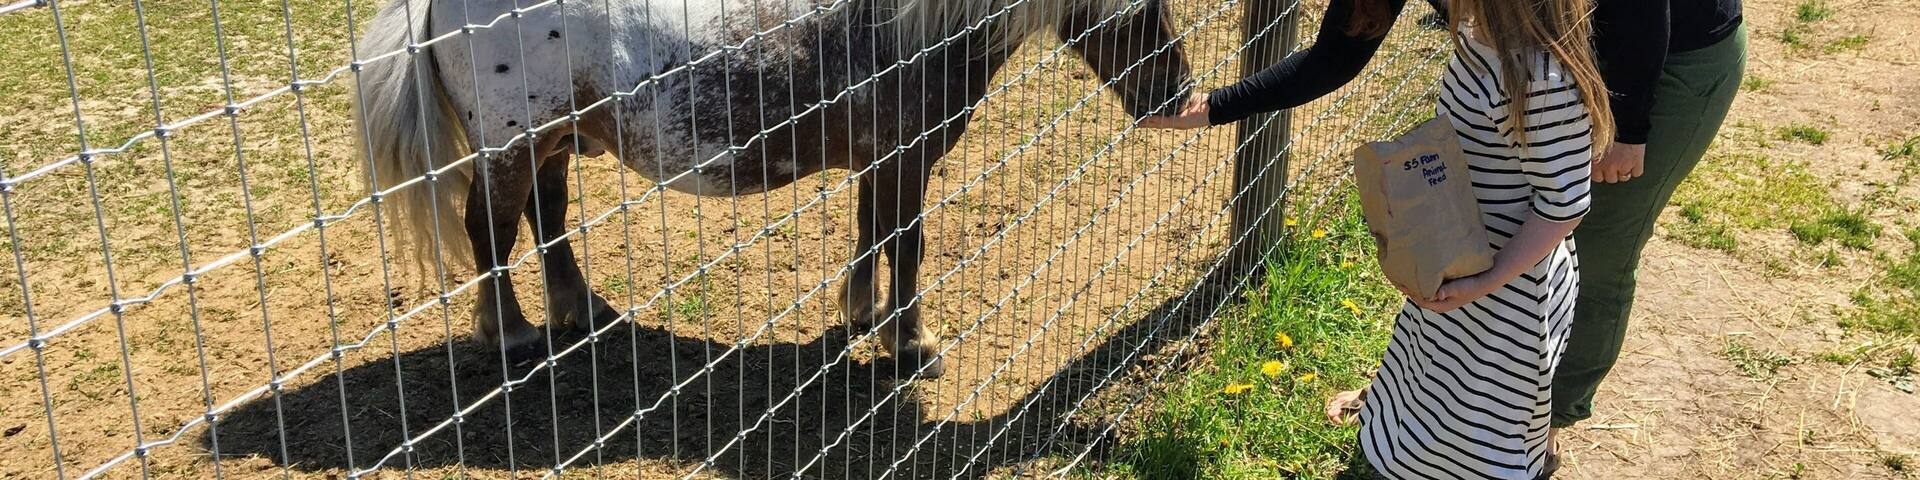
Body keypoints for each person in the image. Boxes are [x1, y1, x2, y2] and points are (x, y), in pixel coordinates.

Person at [1145, 0, 1611, 477]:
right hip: (1461, 254)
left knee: (1485, 418)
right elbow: (1334, 57)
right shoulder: (1479, 36)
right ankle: (1405, 434)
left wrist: (1485, 281)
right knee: (1428, 359)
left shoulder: (1541, 82)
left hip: (1509, 289)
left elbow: (1563, 207)